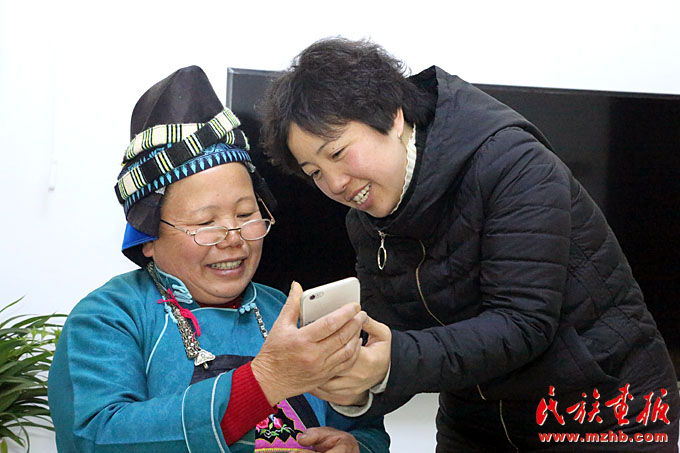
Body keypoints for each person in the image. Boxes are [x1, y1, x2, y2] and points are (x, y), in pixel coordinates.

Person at [260, 37, 680, 451]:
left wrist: (391, 361)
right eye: (315, 172)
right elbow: (399, 337)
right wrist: (358, 388)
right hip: (477, 419)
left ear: (392, 116)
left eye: (337, 153)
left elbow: (523, 324)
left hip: (600, 413)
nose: (334, 184)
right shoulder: (367, 215)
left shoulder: (513, 163)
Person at [47, 65, 390, 453]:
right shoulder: (109, 317)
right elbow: (95, 437)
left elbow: (367, 429)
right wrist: (264, 380)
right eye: (205, 222)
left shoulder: (285, 310)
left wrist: (355, 445)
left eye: (245, 214)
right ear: (149, 237)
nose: (234, 238)